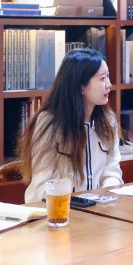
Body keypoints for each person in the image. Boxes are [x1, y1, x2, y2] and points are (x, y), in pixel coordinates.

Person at [19, 48, 123, 203]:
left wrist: (104, 197)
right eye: (102, 79)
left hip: (95, 209)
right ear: (81, 86)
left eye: (108, 77)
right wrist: (80, 205)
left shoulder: (108, 121)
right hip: (51, 210)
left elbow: (112, 173)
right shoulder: (49, 123)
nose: (109, 85)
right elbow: (44, 187)